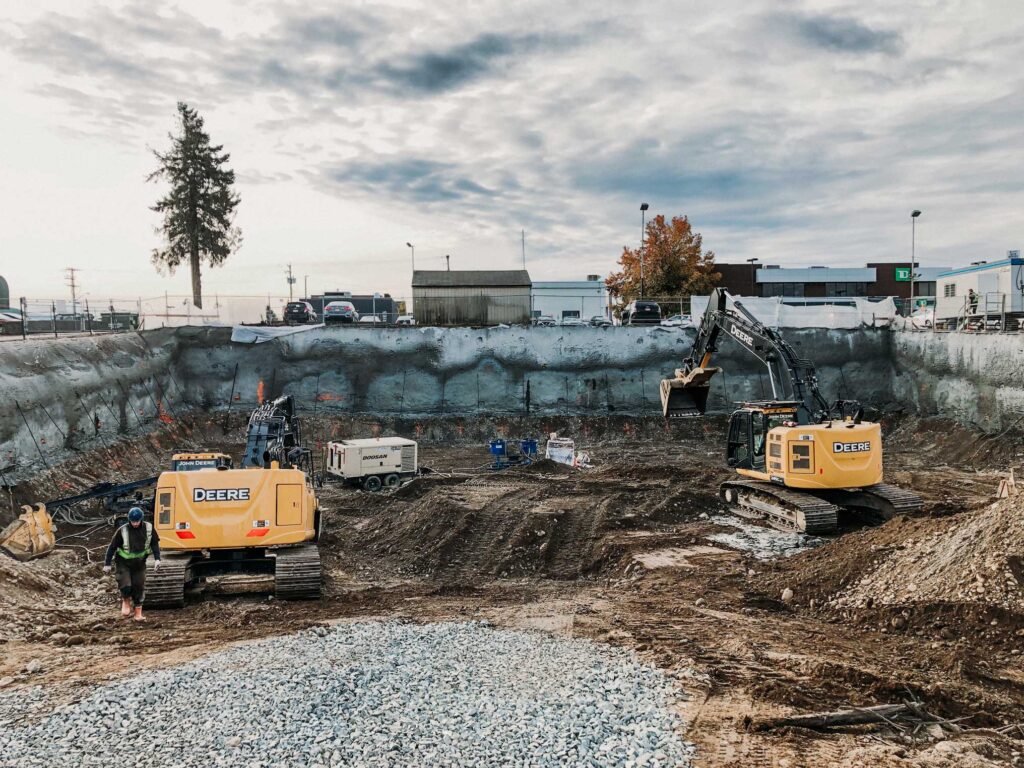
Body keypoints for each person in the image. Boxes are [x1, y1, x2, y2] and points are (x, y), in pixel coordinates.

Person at [103, 507, 160, 622]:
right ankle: (126, 600)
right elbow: (112, 547)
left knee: (139, 586)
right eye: (132, 521)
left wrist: (157, 559)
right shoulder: (122, 530)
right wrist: (107, 563)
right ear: (129, 520)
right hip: (123, 562)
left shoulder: (149, 528)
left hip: (139, 562)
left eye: (137, 521)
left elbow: (154, 544)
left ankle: (138, 613)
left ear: (141, 519)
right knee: (125, 584)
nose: (135, 523)